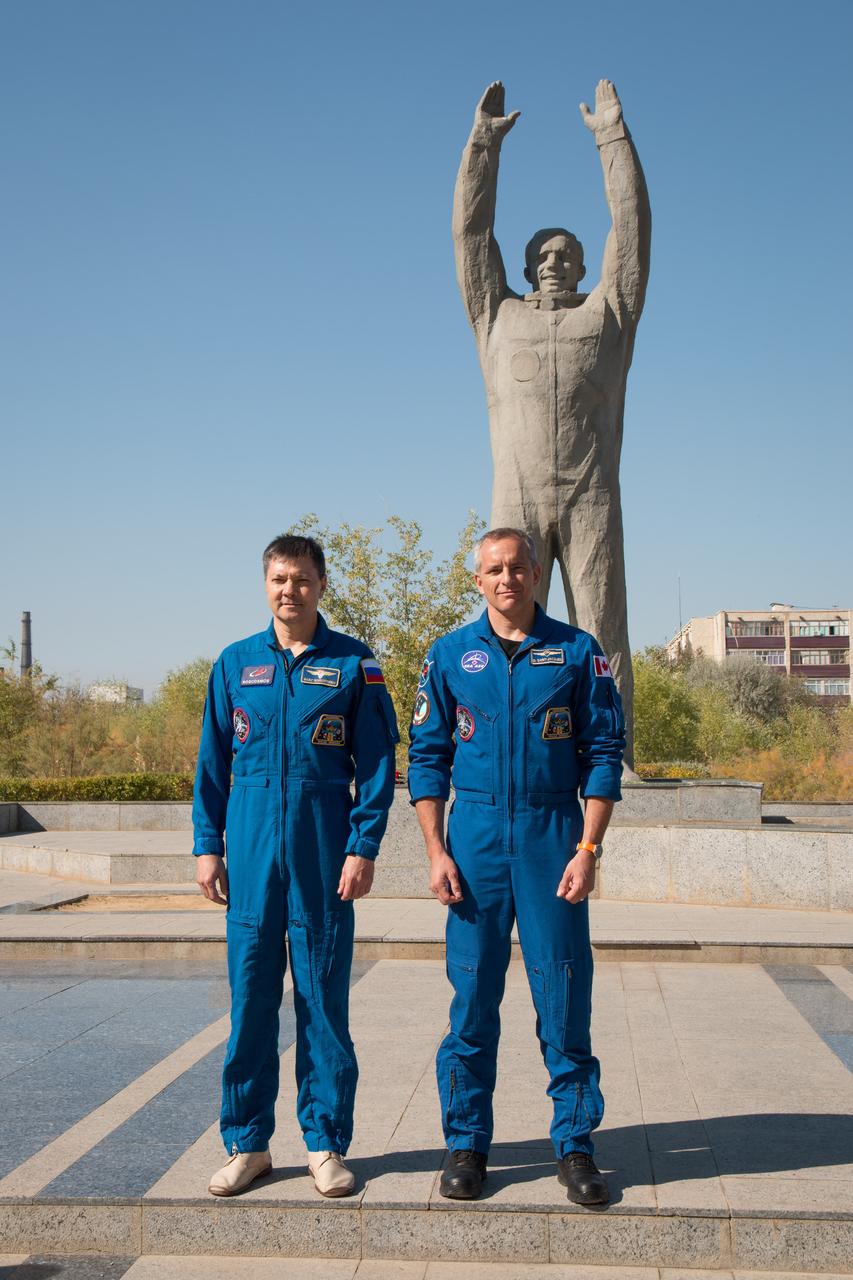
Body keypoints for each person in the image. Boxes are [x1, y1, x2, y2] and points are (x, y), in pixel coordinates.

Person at [408, 527, 624, 1205]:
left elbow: (602, 753)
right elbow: (426, 758)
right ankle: (467, 1144)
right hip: (473, 842)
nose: (506, 579)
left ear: (536, 574)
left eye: (517, 568)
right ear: (478, 580)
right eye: (493, 569)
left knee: (563, 997)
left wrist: (587, 850)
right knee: (472, 1001)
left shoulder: (577, 652)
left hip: (550, 835)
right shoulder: (449, 655)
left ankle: (575, 1145)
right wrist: (436, 851)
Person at [193, 534, 399, 1198]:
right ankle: (247, 1144)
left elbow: (376, 766)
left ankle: (324, 1144)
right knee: (251, 1003)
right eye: (280, 579)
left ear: (321, 585)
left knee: (322, 1004)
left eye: (303, 579)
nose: (291, 590)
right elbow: (212, 764)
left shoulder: (354, 664)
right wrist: (207, 846)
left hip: (322, 852)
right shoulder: (234, 663)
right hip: (253, 853)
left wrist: (363, 847)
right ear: (266, 585)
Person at [452, 78, 650, 765]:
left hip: (592, 494)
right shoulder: (496, 316)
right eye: (542, 256)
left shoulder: (608, 316)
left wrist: (611, 139)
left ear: (586, 266)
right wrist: (483, 146)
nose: (554, 264)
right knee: (506, 630)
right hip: (517, 497)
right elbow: (470, 235)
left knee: (602, 631)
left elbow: (633, 230)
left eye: (566, 255)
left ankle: (612, 759)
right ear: (526, 267)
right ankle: (505, 754)